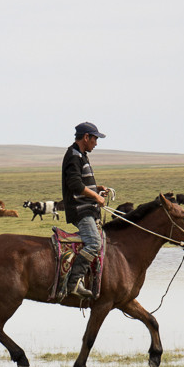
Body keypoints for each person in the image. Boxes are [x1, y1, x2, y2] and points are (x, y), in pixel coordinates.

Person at [61, 122, 111, 298]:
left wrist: (96, 188)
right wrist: (96, 197)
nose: (96, 143)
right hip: (80, 210)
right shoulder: (74, 156)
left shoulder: (81, 154)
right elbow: (74, 185)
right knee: (94, 243)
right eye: (95, 139)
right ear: (86, 137)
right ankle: (74, 283)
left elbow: (81, 182)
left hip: (86, 207)